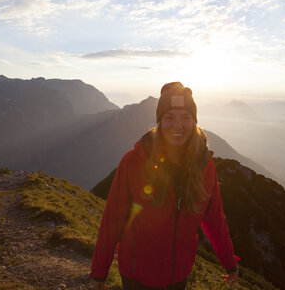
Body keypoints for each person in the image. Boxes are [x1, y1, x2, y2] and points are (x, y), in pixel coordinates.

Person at [90, 82, 239, 290]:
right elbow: (113, 219)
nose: (178, 125)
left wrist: (229, 263)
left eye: (186, 117)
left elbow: (214, 218)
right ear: (160, 121)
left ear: (194, 122)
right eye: (169, 117)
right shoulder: (134, 162)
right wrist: (99, 272)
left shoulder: (204, 165)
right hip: (137, 276)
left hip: (179, 276)